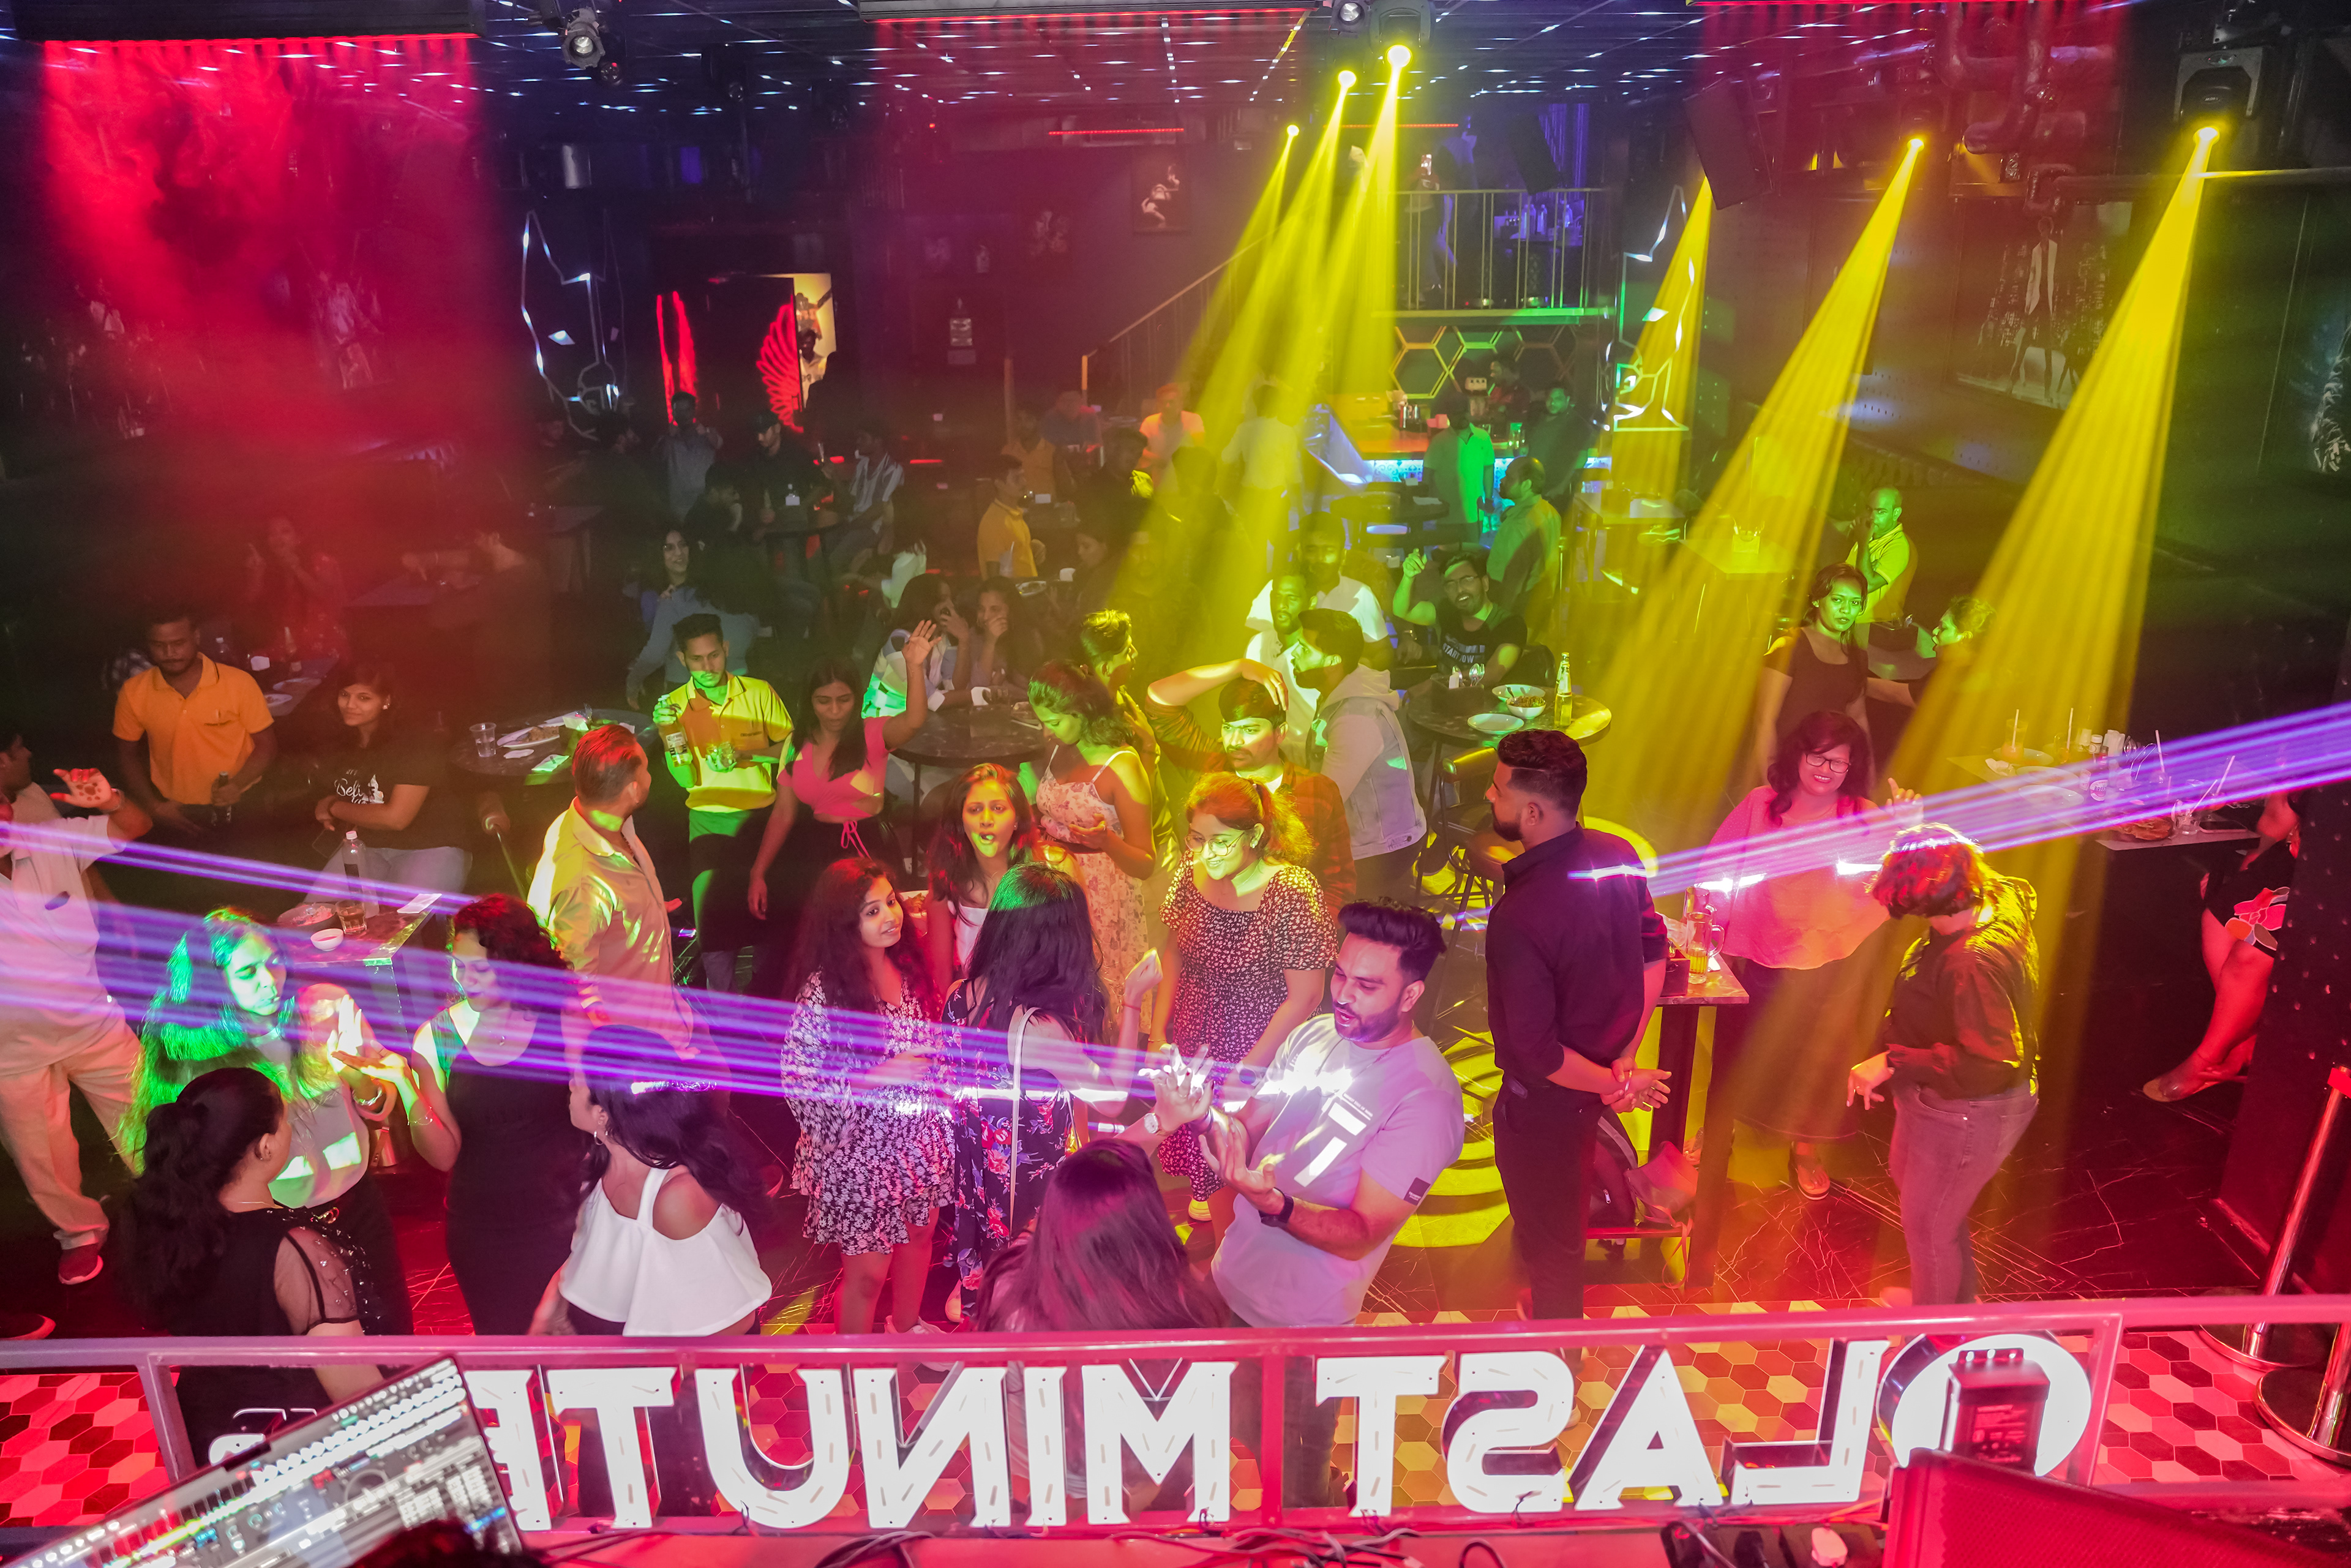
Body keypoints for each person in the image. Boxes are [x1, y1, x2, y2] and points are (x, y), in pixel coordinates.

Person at [1123, 900, 1464, 1505]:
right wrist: (1203, 1116)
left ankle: (1323, 1501)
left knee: (1295, 1503)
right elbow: (1247, 1128)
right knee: (1175, 1453)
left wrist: (1275, 1204)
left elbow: (1363, 1230)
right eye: (1340, 974)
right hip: (1229, 1282)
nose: (1344, 994)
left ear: (1410, 994)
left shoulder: (1426, 1095)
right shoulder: (1316, 1033)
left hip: (1303, 1328)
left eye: (1367, 985)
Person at [1686, 715, 1916, 1281]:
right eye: (1816, 756)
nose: (1825, 769)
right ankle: (1718, 1131)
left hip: (1827, 963)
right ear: (1796, 755)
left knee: (1816, 1061)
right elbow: (1717, 866)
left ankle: (1806, 1148)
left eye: (1838, 760)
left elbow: (1901, 882)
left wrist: (1907, 832)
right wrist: (1709, 929)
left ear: (1852, 766)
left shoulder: (1864, 817)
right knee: (1740, 1051)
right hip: (1759, 953)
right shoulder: (1760, 804)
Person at [133, 911, 416, 1332]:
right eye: (248, 972)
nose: (270, 980)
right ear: (214, 981)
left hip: (356, 1203)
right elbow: (188, 1162)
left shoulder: (327, 1007)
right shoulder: (195, 1053)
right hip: (273, 1227)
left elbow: (379, 1102)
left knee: (394, 1332)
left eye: (274, 961)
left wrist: (365, 1085)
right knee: (320, 1345)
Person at [1482, 729, 1670, 1320]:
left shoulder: (1519, 917)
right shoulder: (1619, 854)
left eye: (1498, 788)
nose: (1489, 796)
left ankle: (1559, 1350)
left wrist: (1614, 1081)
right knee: (1560, 1217)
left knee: (1554, 1239)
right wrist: (1625, 1058)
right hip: (1598, 1081)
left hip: (1546, 1105)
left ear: (1533, 812)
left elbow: (1538, 1053)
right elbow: (1654, 954)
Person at [114, 1067, 380, 1464]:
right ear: (266, 1147)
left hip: (207, 1439)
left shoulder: (165, 1224)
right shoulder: (294, 1248)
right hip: (292, 1445)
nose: (291, 1129)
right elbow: (357, 1391)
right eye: (285, 1119)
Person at [975, 1138, 1223, 1517]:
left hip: (1038, 1493)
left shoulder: (1010, 1289)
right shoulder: (1176, 1300)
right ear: (1147, 1223)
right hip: (1132, 1490)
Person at [943, 863, 1150, 1318]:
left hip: (981, 1183)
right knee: (1041, 1304)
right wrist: (1133, 1001)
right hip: (1033, 1194)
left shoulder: (959, 994)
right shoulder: (1038, 1029)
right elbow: (1113, 1099)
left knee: (1001, 1293)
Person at [1846, 827, 2039, 1307]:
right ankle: (1954, 1306)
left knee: (1929, 1226)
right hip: (1942, 1099)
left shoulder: (1970, 963)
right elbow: (2019, 887)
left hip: (1968, 1108)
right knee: (1932, 1207)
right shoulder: (1996, 894)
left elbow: (1993, 1060)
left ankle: (1934, 1334)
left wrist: (1892, 1061)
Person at [396, 895, 592, 1334]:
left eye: (482, 969)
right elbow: (443, 1155)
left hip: (563, 1222)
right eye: (458, 966)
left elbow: (600, 1122)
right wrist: (407, 1089)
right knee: (505, 1350)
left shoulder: (563, 1020)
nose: (466, 980)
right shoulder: (436, 1038)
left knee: (577, 1349)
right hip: (481, 1231)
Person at [779, 860, 954, 1337]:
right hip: (859, 1157)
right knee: (868, 1274)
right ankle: (854, 1368)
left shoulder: (910, 968)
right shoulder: (824, 992)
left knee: (920, 1239)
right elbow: (799, 1080)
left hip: (916, 1142)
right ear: (843, 923)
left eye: (891, 902)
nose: (890, 917)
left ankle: (908, 1329)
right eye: (872, 911)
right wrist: (880, 1075)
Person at [0, 732, 151, 1285]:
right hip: (11, 1051)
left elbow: (133, 826)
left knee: (148, 1117)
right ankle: (79, 1231)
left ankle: (183, 1205)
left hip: (92, 1021)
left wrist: (111, 801)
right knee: (42, 1155)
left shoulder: (48, 839)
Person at [1152, 773, 1335, 1225]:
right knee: (1209, 1159)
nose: (1206, 852)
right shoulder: (1190, 871)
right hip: (1197, 1035)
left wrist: (1247, 1070)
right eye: (1197, 838)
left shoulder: (1291, 891)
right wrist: (1157, 1030)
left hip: (1262, 1043)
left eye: (1220, 841)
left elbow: (1306, 996)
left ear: (1254, 835)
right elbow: (1173, 953)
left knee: (1251, 1171)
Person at [531, 1025, 771, 1335]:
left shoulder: (675, 1199)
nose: (569, 1085)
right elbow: (600, 1252)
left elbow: (736, 1323)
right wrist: (557, 1299)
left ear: (603, 1115)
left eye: (577, 1081)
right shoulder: (600, 1163)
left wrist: (654, 1365)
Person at [747, 648, 939, 976]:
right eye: (824, 701)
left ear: (857, 698)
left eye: (844, 700)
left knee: (876, 941)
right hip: (816, 852)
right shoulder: (795, 744)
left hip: (867, 846)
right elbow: (783, 814)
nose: (835, 711)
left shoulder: (872, 733)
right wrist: (758, 872)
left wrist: (914, 665)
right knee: (819, 947)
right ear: (809, 701)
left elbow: (914, 720)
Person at [527, 724, 698, 1056]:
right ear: (633, 791)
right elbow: (577, 993)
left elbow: (607, 912)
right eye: (647, 769)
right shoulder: (585, 883)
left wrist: (646, 909)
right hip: (644, 1048)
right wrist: (630, 1060)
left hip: (664, 1018)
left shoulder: (591, 819)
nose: (652, 776)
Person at [650, 615, 796, 994]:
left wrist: (747, 753)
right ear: (682, 659)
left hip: (762, 818)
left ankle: (767, 998)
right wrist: (669, 733)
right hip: (708, 821)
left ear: (726, 649)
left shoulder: (758, 692)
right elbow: (686, 780)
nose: (708, 666)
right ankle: (726, 1010)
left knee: (768, 919)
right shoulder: (674, 707)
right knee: (714, 926)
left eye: (714, 655)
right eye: (697, 659)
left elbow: (793, 752)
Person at [1142, 661, 1355, 910]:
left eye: (1249, 729)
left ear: (1280, 732)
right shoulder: (1210, 770)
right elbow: (1159, 700)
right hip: (1216, 923)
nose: (1235, 741)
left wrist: (1310, 930)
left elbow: (1338, 883)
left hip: (1290, 927)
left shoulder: (1316, 790)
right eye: (1228, 728)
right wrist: (1238, 667)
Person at [2144, 792, 2301, 1101]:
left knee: (2250, 954)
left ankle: (2208, 1057)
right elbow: (2282, 807)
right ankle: (2245, 1040)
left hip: (2336, 879)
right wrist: (2254, 863)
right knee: (2217, 922)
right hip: (2294, 859)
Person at [1023, 661, 1157, 1004]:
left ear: (1082, 711)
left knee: (1095, 991)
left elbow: (1146, 863)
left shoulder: (1122, 766)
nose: (1046, 732)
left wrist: (1107, 842)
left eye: (1054, 722)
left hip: (1099, 894)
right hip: (1052, 881)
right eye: (1041, 722)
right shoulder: (1057, 747)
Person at [1288, 609, 1426, 901]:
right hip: (1367, 841)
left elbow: (1326, 800)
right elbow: (1316, 758)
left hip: (1382, 849)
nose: (1293, 655)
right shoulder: (1339, 691)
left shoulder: (1355, 719)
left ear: (1333, 661)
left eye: (1304, 649)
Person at [113, 604, 277, 846]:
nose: (170, 653)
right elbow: (126, 754)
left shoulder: (238, 683)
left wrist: (237, 785)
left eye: (178, 643)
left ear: (196, 637)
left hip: (241, 801)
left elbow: (266, 744)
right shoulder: (134, 691)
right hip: (176, 810)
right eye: (159, 645)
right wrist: (153, 805)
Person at [305, 664, 471, 899]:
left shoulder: (415, 743)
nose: (350, 705)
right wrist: (334, 808)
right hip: (365, 846)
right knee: (311, 915)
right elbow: (344, 792)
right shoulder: (341, 743)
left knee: (402, 921)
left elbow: (396, 818)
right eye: (345, 694)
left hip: (429, 845)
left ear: (387, 701)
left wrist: (333, 807)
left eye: (364, 697)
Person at [1752, 565, 1914, 784]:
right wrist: (1770, 783)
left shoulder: (1857, 657)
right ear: (1817, 600)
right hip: (1786, 771)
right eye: (1838, 600)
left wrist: (1867, 779)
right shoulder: (1790, 648)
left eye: (1855, 603)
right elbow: (1764, 722)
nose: (1846, 610)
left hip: (1829, 776)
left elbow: (1858, 721)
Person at [924, 764, 1070, 996]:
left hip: (1046, 1009)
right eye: (975, 810)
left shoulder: (1056, 869)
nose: (986, 820)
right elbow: (940, 980)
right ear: (961, 821)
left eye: (998, 808)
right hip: (979, 1011)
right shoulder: (948, 880)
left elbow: (1078, 964)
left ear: (1017, 819)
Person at [414, 512, 555, 721]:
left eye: (479, 537)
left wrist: (444, 583)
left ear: (495, 538)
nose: (476, 543)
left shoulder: (502, 585)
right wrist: (431, 559)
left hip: (509, 691)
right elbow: (471, 560)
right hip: (532, 680)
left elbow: (440, 619)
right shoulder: (531, 566)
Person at [623, 528, 760, 703]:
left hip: (693, 693)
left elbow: (654, 654)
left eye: (683, 545)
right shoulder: (654, 596)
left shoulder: (683, 600)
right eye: (669, 548)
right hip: (738, 690)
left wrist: (632, 684)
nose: (679, 553)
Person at [1244, 515, 1391, 673]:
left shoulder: (1362, 594)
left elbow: (1383, 651)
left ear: (1343, 555)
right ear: (1300, 552)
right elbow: (1253, 647)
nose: (1320, 558)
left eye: (1329, 550)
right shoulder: (1277, 590)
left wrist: (1364, 666)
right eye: (1312, 550)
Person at [1392, 547, 1525, 688]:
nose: (1460, 589)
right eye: (1451, 584)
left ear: (1485, 583)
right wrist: (1408, 577)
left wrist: (1437, 683)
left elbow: (1493, 674)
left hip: (1483, 700)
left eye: (1467, 580)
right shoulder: (1446, 611)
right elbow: (1402, 610)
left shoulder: (1510, 624)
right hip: (1443, 696)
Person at [240, 515, 350, 665]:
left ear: (298, 538)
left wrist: (296, 568)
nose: (278, 538)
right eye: (272, 534)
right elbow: (248, 603)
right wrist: (256, 574)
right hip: (289, 648)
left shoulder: (321, 560)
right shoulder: (271, 568)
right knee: (251, 663)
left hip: (325, 647)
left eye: (285, 532)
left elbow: (325, 595)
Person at [936, 578, 1036, 709]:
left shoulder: (1030, 638)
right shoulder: (974, 638)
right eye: (982, 609)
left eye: (995, 609)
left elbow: (1033, 690)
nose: (986, 617)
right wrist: (990, 643)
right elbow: (977, 688)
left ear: (1011, 611)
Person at [1489, 457, 1560, 629]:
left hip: (1517, 606)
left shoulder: (1519, 524)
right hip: (1541, 601)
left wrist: (1500, 621)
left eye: (1509, 478)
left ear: (1527, 485)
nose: (1502, 480)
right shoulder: (1549, 511)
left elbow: (1513, 580)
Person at [1843, 487, 1916, 624]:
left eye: (1881, 512)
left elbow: (1867, 585)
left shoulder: (1898, 546)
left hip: (1875, 626)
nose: (1872, 517)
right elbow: (1845, 576)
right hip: (1853, 621)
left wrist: (1863, 542)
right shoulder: (1868, 535)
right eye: (1869, 509)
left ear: (1896, 514)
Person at [1420, 411, 1495, 544]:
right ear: (1449, 415)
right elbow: (1427, 475)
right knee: (1448, 554)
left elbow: (1489, 468)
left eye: (1464, 411)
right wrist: (1428, 506)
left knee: (1471, 553)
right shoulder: (1439, 441)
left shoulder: (1483, 437)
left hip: (1475, 513)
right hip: (1446, 515)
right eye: (1457, 412)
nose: (1462, 416)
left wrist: (1489, 499)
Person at [838, 425, 905, 570]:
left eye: (863, 438)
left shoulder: (892, 470)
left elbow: (879, 509)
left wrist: (849, 526)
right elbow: (849, 501)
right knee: (824, 546)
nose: (858, 441)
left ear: (878, 441)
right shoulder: (862, 465)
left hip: (876, 529)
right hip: (855, 523)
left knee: (836, 556)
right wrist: (835, 477)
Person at [658, 391, 724, 520]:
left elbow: (718, 443)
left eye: (687, 410)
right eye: (679, 411)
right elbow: (658, 456)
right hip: (679, 507)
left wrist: (706, 432)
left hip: (706, 503)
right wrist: (668, 437)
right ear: (673, 413)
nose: (683, 415)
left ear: (694, 411)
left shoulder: (707, 433)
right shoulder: (668, 439)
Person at [1524, 384, 1592, 509]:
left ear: (1568, 399)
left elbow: (1581, 459)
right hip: (1534, 489)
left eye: (1558, 399)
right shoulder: (1539, 419)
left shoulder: (1577, 424)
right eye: (1550, 399)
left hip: (1557, 492)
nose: (1553, 403)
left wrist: (1561, 487)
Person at [976, 454, 1040, 579]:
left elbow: (1011, 555)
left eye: (1023, 476)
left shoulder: (1013, 513)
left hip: (1028, 588)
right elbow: (996, 580)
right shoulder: (994, 523)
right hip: (1017, 591)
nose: (1024, 482)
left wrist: (1030, 548)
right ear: (999, 484)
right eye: (1017, 479)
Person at [1138, 382, 1205, 492]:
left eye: (1172, 402)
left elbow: (1201, 448)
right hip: (1160, 489)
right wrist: (1159, 461)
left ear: (1181, 403)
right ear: (1158, 404)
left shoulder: (1194, 420)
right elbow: (1138, 450)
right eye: (1164, 402)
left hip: (1188, 489)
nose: (1167, 406)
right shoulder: (1149, 422)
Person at [1004, 407, 1076, 503]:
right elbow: (1002, 487)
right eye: (1019, 420)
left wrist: (1060, 462)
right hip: (1017, 507)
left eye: (1029, 419)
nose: (1023, 424)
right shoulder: (1008, 451)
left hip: (1046, 507)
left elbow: (1068, 489)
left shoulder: (1052, 451)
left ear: (1038, 422)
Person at [1040, 388, 1101, 454]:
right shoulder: (1050, 418)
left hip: (1084, 458)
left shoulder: (1090, 417)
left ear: (1081, 402)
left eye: (1074, 401)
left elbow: (1098, 446)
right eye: (1064, 401)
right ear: (1057, 403)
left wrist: (1089, 449)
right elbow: (1044, 447)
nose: (1070, 405)